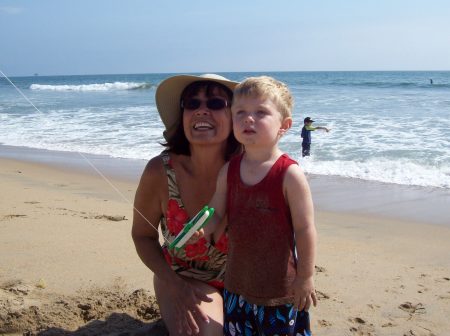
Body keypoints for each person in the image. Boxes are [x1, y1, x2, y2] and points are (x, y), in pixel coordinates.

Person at [198, 76, 317, 335]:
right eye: (240, 112)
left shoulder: (289, 174)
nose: (248, 119)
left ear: (284, 126)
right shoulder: (229, 170)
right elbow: (216, 211)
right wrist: (202, 228)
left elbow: (305, 229)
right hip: (237, 285)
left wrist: (305, 277)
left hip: (279, 291)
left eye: (260, 112)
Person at [132, 73, 241, 336]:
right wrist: (174, 286)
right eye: (192, 104)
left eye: (215, 104)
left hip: (247, 283)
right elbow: (143, 236)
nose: (202, 110)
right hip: (188, 280)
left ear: (235, 116)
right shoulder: (160, 171)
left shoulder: (252, 170)